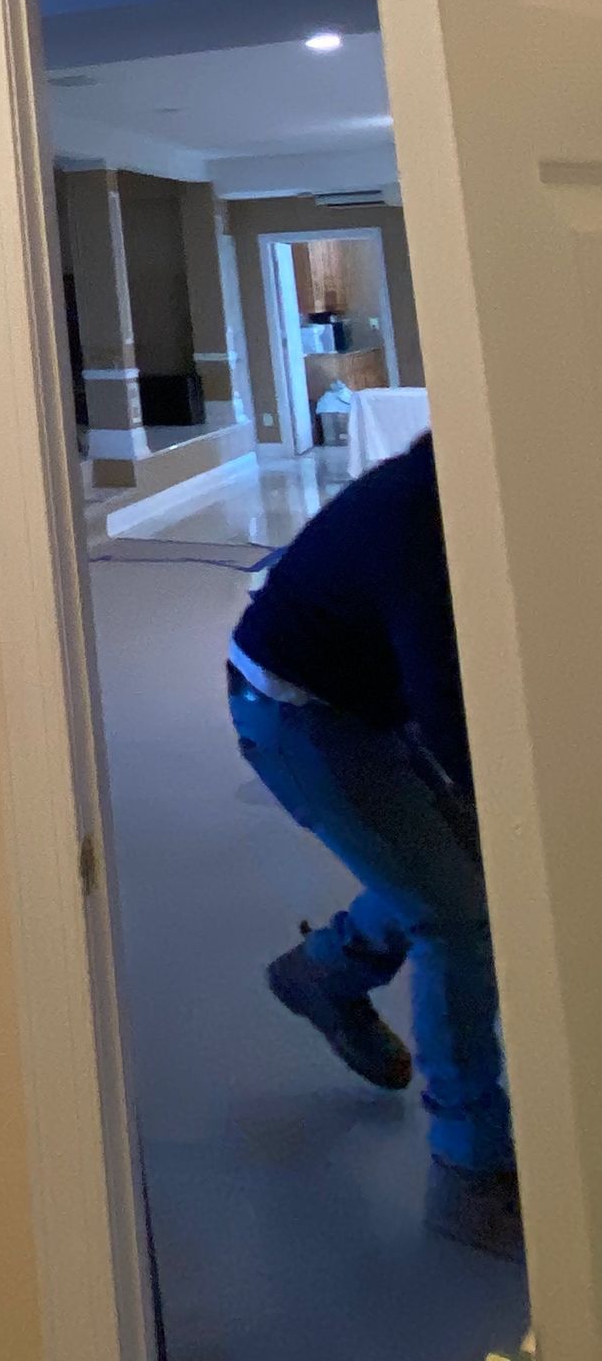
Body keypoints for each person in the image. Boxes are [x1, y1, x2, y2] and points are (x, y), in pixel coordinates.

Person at [227, 433, 522, 1262]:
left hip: (365, 702)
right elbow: (448, 709)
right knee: (459, 922)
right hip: (294, 714)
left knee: (458, 883)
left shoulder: (465, 493)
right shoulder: (417, 518)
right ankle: (470, 1174)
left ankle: (324, 971)